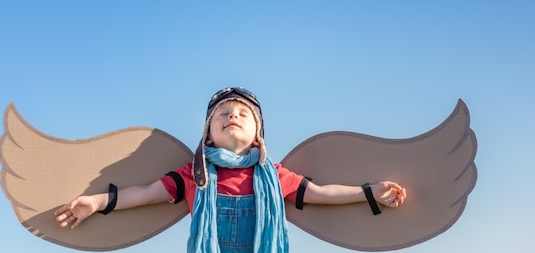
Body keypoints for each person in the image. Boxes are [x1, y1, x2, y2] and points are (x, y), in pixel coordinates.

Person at [55, 87, 406, 253]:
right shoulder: (195, 174)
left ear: (258, 134)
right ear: (208, 131)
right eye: (222, 114)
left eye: (242, 114)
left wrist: (369, 193)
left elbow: (319, 193)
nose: (232, 117)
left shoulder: (272, 174)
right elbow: (146, 193)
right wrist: (98, 202)